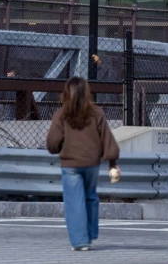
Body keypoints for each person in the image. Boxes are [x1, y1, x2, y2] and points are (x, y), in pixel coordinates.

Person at [46, 77, 121, 251]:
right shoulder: (96, 113)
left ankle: (80, 241)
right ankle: (90, 233)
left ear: (66, 93)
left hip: (70, 164)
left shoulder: (61, 114)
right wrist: (112, 162)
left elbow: (52, 143)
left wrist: (57, 148)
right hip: (92, 162)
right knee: (90, 196)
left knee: (74, 201)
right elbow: (107, 138)